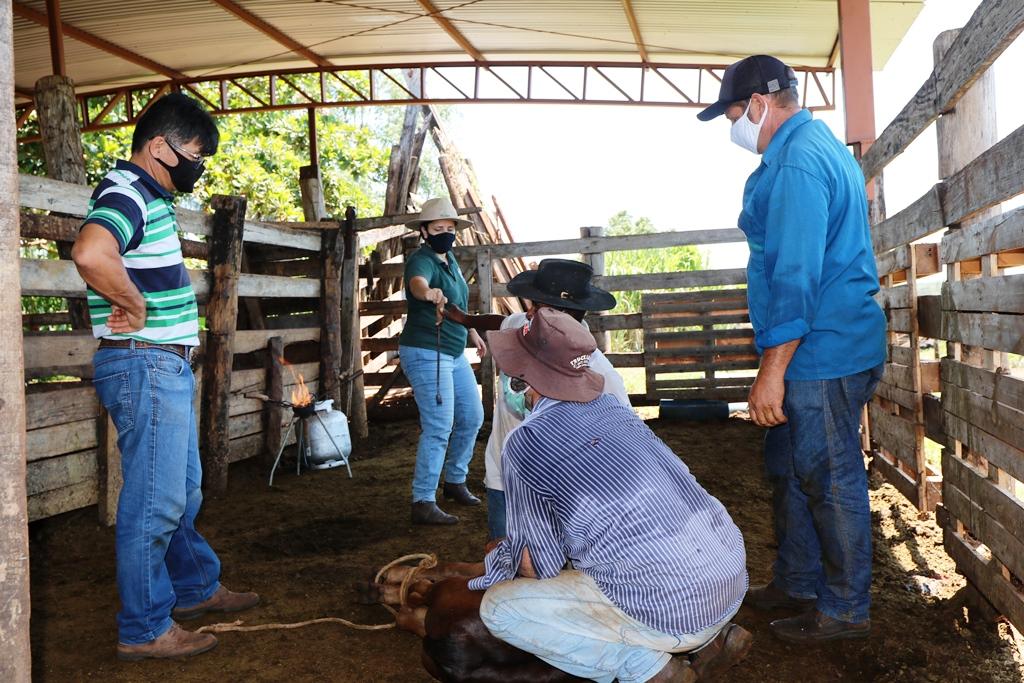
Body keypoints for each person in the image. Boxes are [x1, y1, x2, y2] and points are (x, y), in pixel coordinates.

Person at [697, 55, 886, 643]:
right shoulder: (806, 149)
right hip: (819, 342)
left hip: (822, 350)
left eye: (732, 113)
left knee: (829, 476)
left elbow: (797, 273)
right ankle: (799, 580)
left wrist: (771, 370)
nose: (732, 127)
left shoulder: (799, 163)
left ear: (758, 103)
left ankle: (846, 607)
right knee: (789, 466)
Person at [71, 93, 259, 661]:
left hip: (160, 365)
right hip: (145, 362)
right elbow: (90, 252)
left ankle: (195, 587)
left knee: (180, 491)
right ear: (160, 146)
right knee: (154, 501)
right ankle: (145, 627)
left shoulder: (149, 195)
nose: (197, 167)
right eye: (194, 154)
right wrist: (134, 302)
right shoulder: (125, 190)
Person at [470, 307, 751, 683]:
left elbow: (538, 566)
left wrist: (499, 558)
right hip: (728, 578)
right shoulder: (613, 410)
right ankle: (709, 639)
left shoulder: (527, 440)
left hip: (670, 608)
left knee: (500, 610)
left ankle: (649, 669)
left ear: (525, 377)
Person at [483, 258, 630, 541]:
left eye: (538, 307)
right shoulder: (519, 330)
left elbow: (624, 437)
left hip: (557, 489)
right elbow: (496, 322)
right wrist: (462, 318)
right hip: (503, 475)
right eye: (532, 304)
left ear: (558, 316)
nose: (529, 313)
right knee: (506, 562)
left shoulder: (599, 373)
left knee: (550, 572)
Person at [399, 197, 486, 525]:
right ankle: (422, 500)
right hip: (425, 352)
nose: (445, 233)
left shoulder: (449, 259)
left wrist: (473, 333)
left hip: (453, 351)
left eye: (450, 228)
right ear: (424, 231)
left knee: (472, 416)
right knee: (439, 425)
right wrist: (429, 293)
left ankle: (454, 481)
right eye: (438, 229)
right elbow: (417, 284)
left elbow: (458, 307)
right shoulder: (421, 260)